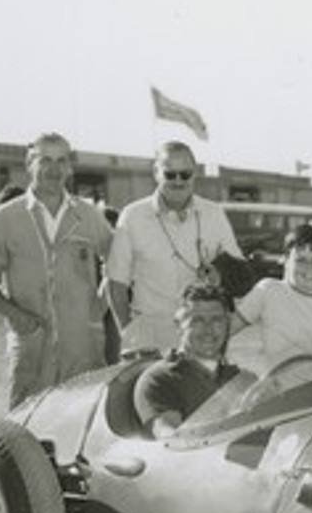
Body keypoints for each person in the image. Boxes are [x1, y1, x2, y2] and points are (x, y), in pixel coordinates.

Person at [0, 132, 114, 408]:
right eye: (45, 160)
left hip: (83, 351)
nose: (54, 169)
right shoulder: (4, 219)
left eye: (62, 160)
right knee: (28, 436)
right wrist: (16, 316)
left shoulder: (88, 215)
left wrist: (99, 307)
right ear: (29, 164)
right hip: (32, 352)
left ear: (70, 167)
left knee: (84, 433)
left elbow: (118, 263)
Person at [104, 141, 243, 354]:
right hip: (150, 336)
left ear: (194, 174)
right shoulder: (132, 216)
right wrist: (129, 333)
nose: (178, 181)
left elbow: (240, 273)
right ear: (156, 173)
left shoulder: (214, 214)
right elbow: (116, 283)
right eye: (170, 174)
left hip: (201, 335)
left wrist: (219, 274)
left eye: (185, 174)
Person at [134, 283, 252, 439]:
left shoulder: (240, 379)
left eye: (217, 320)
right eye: (197, 321)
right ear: (179, 326)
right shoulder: (161, 379)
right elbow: (170, 439)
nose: (208, 330)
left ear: (227, 326)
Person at [233, 224, 312, 359]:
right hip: (274, 377)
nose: (309, 267)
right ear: (285, 260)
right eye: (300, 260)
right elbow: (224, 331)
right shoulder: (269, 290)